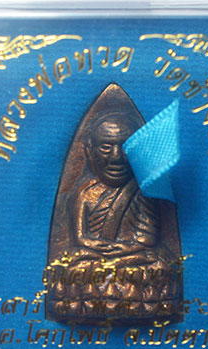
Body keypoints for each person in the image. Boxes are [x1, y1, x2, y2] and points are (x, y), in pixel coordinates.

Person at [44, 84, 182, 323]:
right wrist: (99, 249)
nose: (116, 157)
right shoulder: (84, 193)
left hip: (134, 259)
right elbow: (80, 238)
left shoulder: (143, 191)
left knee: (159, 267)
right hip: (94, 258)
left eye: (125, 147)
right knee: (70, 269)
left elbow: (147, 239)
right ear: (89, 151)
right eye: (106, 147)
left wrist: (120, 253)